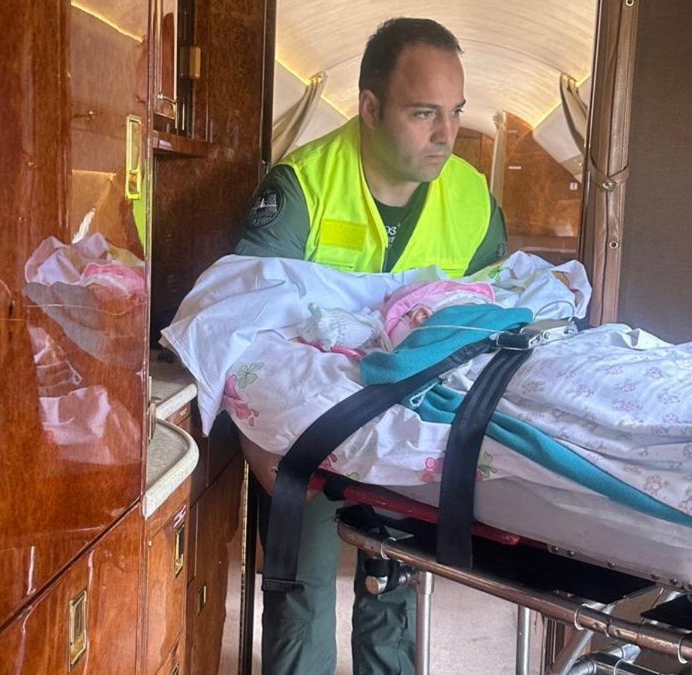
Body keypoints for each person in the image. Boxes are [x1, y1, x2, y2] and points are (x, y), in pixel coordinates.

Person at [233, 17, 509, 675]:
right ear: (370, 107)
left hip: (412, 426)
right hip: (306, 429)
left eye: (455, 112)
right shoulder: (302, 185)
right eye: (424, 113)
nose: (446, 135)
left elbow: (492, 322)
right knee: (299, 596)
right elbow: (240, 324)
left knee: (396, 591)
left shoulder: (472, 199)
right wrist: (258, 445)